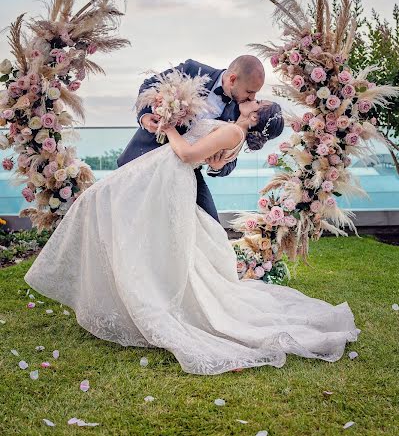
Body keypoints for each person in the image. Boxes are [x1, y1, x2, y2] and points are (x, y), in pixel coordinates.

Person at [24, 98, 359, 376]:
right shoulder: (231, 131)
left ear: (255, 115)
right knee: (118, 216)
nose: (251, 99)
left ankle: (136, 291)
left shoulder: (231, 130)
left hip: (169, 174)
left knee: (106, 208)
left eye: (257, 102)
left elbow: (186, 155)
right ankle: (124, 286)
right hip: (160, 173)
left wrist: (169, 127)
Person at [117, 55, 276, 223]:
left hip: (186, 169)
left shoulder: (242, 112)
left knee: (211, 224)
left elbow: (232, 157)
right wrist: (144, 116)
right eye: (250, 92)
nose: (252, 98)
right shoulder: (193, 70)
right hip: (149, 154)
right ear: (232, 79)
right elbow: (150, 85)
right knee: (132, 221)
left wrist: (219, 166)